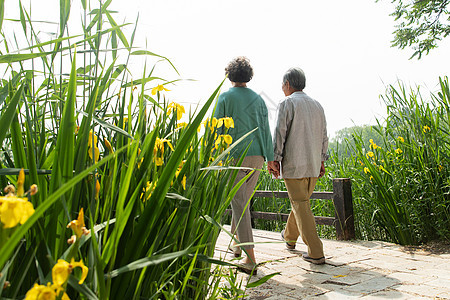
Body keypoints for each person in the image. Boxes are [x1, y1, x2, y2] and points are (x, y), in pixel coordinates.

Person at [214, 56, 274, 274]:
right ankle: (237, 246)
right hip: (257, 157)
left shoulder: (224, 98)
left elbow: (216, 130)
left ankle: (250, 259)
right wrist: (271, 158)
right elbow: (266, 131)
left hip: (234, 157)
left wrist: (212, 156)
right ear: (248, 75)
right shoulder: (258, 100)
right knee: (241, 202)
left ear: (229, 75)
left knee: (239, 203)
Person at [268, 67, 328, 265]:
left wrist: (274, 158)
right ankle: (289, 237)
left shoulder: (287, 103)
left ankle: (316, 251)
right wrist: (321, 160)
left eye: (282, 84)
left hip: (294, 164)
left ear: (287, 84)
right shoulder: (317, 105)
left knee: (300, 204)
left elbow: (279, 133)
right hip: (312, 164)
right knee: (300, 203)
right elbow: (324, 136)